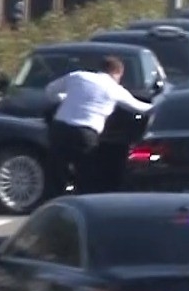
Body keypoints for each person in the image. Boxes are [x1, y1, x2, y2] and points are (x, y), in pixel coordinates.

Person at [44, 57, 151, 195]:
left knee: (56, 169)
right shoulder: (115, 89)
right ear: (118, 73)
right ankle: (80, 201)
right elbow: (141, 108)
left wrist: (63, 98)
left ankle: (53, 200)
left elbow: (50, 90)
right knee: (86, 175)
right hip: (85, 134)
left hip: (59, 129)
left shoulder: (78, 76)